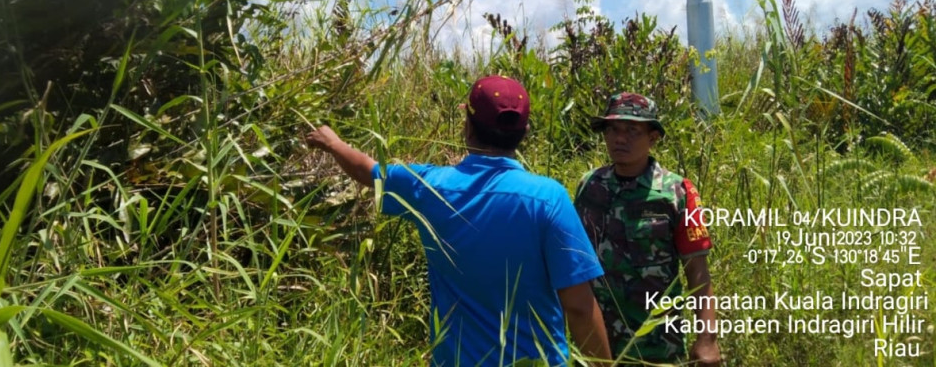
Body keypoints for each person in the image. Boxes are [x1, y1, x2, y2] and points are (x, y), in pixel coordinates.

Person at [305, 75, 612, 366]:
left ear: (467, 126)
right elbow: (579, 307)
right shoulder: (549, 198)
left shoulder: (429, 187)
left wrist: (333, 143)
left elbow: (368, 172)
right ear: (525, 133)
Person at [574, 92, 721, 366]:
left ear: (653, 138)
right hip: (596, 346)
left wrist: (707, 338)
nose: (620, 138)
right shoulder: (589, 186)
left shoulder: (677, 192)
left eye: (632, 130)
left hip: (657, 347)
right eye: (613, 129)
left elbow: (697, 272)